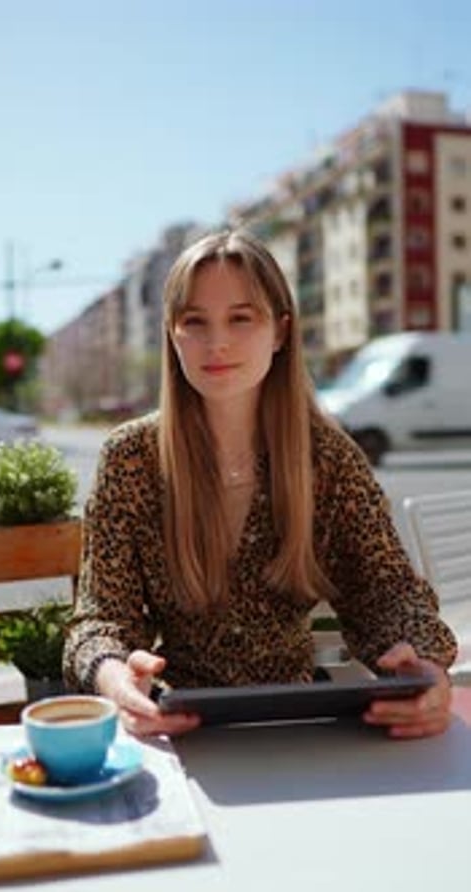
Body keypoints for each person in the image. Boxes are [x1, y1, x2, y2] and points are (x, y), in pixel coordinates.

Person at [63, 228, 457, 740]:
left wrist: (424, 667)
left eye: (241, 318)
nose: (217, 341)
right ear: (172, 335)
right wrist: (115, 678)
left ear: (280, 331)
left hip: (303, 726)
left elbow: (386, 592)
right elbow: (99, 618)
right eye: (194, 321)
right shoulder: (130, 458)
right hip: (176, 730)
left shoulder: (329, 458)